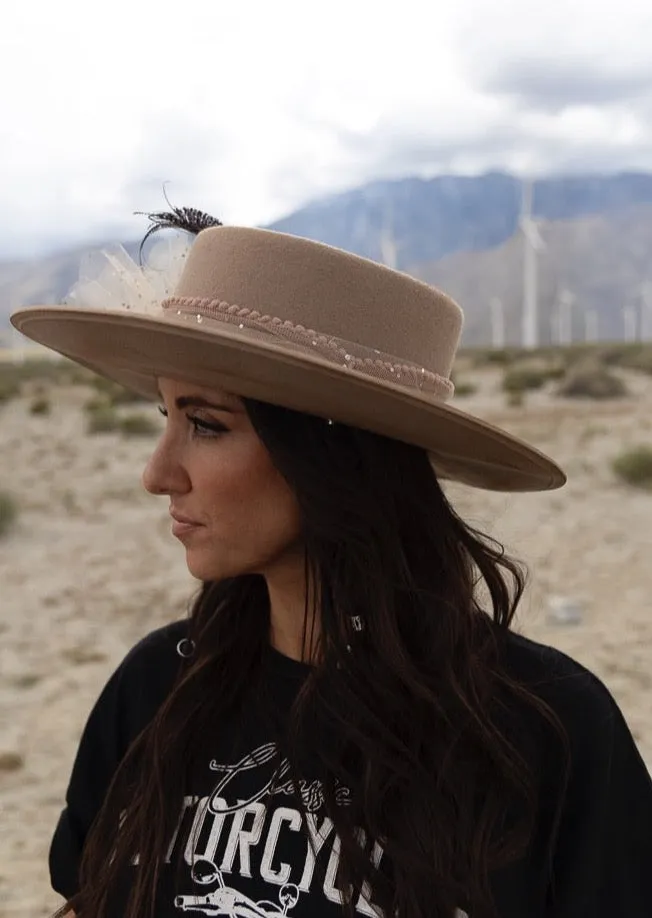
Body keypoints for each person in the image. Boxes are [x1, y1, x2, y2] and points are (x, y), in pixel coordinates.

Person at [11, 208, 652, 918]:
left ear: (332, 458)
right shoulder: (161, 686)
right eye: (166, 418)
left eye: (206, 424)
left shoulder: (544, 731)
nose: (158, 474)